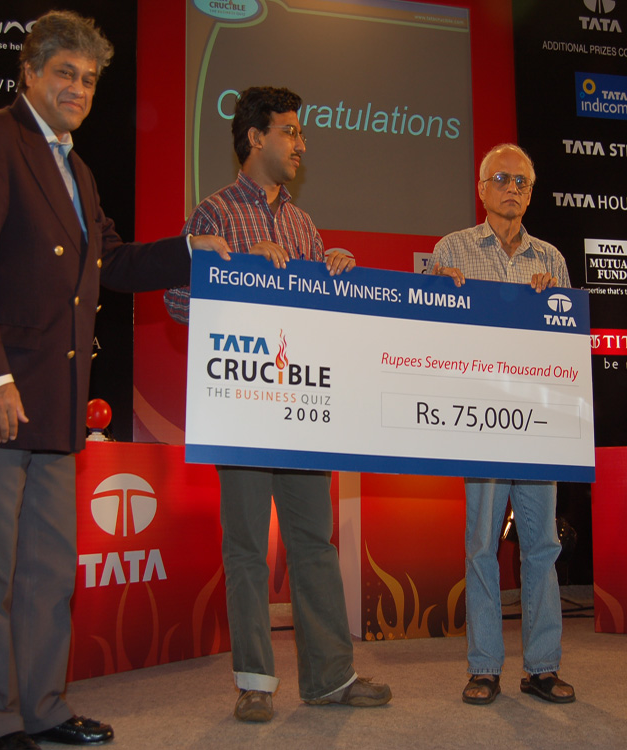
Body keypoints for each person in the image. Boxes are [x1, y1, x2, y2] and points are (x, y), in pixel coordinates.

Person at [0, 11, 227, 750]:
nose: (79, 90)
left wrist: (190, 250)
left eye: (90, 80)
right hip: (0, 395)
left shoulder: (78, 169)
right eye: (66, 73)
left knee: (48, 572)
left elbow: (111, 262)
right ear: (30, 72)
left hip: (57, 404)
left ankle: (45, 708)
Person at [164, 86, 390, 723]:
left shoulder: (303, 225)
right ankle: (255, 682)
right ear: (255, 137)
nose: (300, 144)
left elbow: (320, 316)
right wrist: (239, 267)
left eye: (301, 133)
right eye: (290, 131)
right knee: (245, 546)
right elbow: (176, 303)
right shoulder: (212, 213)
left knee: (314, 541)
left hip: (301, 407)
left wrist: (335, 270)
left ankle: (330, 677)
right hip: (240, 404)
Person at [430, 144, 575, 706]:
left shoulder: (552, 259)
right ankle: (485, 666)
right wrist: (438, 294)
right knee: (481, 548)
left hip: (537, 423)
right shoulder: (452, 250)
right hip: (481, 421)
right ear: (482, 189)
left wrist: (553, 301)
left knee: (541, 546)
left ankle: (542, 667)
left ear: (530, 194)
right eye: (502, 179)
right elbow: (429, 336)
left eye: (522, 182)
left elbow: (565, 345)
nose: (512, 188)